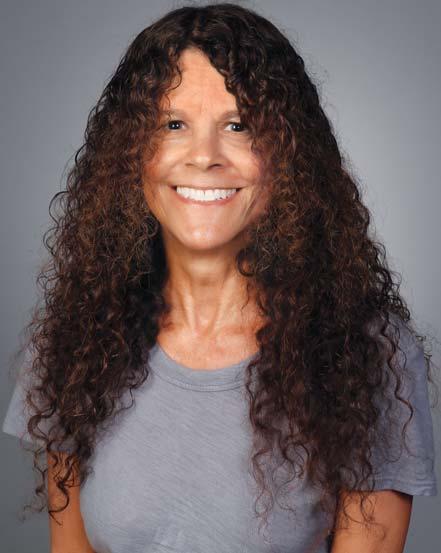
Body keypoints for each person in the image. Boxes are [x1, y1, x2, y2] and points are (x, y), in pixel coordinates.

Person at [2, 3, 438, 553]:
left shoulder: (367, 352)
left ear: (288, 155)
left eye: (239, 126)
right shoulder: (78, 338)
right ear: (129, 153)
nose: (204, 157)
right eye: (173, 125)